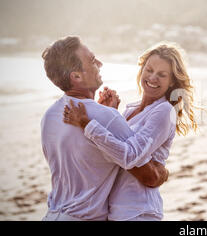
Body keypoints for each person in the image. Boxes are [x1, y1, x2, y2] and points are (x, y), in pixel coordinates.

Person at [63, 41, 198, 221]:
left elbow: (130, 156)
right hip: (116, 209)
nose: (152, 78)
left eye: (162, 75)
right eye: (149, 70)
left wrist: (87, 124)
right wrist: (112, 113)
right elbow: (116, 150)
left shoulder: (164, 111)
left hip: (138, 211)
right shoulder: (130, 109)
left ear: (172, 81)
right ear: (141, 69)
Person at [40, 36, 168, 221]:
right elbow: (149, 177)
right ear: (76, 76)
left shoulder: (50, 116)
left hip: (53, 215)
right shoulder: (106, 117)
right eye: (92, 60)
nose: (99, 63)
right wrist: (164, 172)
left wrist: (107, 114)